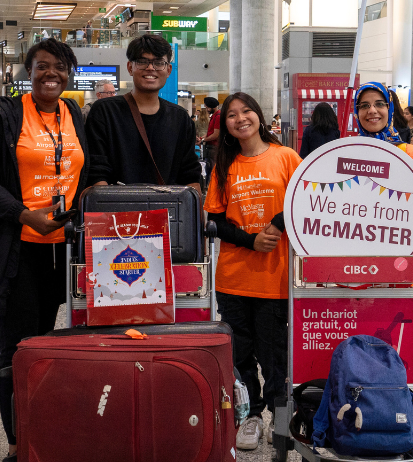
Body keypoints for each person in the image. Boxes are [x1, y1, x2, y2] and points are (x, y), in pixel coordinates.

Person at [0, 38, 90, 462]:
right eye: (42, 67)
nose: (52, 74)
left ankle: (45, 427)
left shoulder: (74, 114)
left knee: (53, 344)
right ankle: (17, 444)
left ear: (69, 73)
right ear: (27, 73)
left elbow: (86, 172)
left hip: (66, 251)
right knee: (17, 348)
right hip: (19, 249)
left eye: (60, 67)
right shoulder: (5, 116)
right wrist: (22, 213)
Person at [204, 92, 301, 451]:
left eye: (246, 112)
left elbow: (305, 201)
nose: (240, 119)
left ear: (258, 116)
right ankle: (251, 415)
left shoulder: (286, 157)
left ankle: (281, 413)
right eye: (232, 115)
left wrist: (275, 224)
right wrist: (250, 240)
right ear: (225, 125)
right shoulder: (224, 165)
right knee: (240, 353)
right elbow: (214, 222)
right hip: (234, 277)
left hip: (274, 278)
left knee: (274, 353)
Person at [85, 34, 200, 187]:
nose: (150, 68)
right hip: (118, 208)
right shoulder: (105, 112)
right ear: (130, 67)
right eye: (142, 62)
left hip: (167, 209)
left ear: (168, 70)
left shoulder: (180, 118)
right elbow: (97, 171)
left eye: (159, 62)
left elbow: (190, 174)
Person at [354, 82, 413, 180]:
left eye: (380, 104)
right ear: (356, 112)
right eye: (364, 106)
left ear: (390, 109)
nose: (372, 110)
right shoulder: (346, 151)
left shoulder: (409, 154)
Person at [199, 97, 221, 184]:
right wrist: (201, 138)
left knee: (212, 169)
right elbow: (210, 133)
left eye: (207, 107)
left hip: (214, 148)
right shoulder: (214, 116)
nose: (207, 109)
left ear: (212, 107)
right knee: (209, 169)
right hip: (211, 147)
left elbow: (216, 135)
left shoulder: (218, 117)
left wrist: (203, 139)